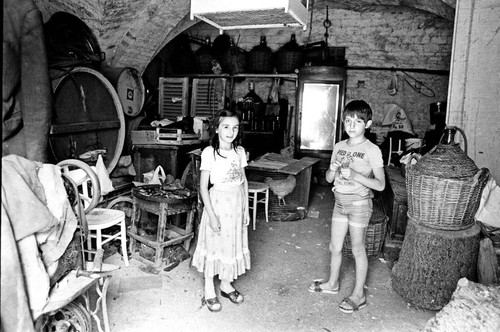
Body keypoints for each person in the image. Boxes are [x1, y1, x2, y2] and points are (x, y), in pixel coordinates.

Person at [308, 100, 385, 313]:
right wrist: (332, 170)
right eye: (348, 120)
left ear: (367, 124)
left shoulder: (372, 150)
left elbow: (380, 185)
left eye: (358, 121)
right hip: (339, 203)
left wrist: (356, 176)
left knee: (358, 248)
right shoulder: (339, 147)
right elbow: (329, 178)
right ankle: (333, 284)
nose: (352, 125)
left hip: (360, 204)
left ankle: (359, 295)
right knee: (335, 246)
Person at [191, 109, 251, 312]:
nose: (230, 132)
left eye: (234, 128)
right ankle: (209, 289)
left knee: (231, 243)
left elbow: (243, 181)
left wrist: (246, 209)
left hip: (236, 204)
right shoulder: (209, 153)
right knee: (214, 243)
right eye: (226, 127)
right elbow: (202, 187)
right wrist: (212, 215)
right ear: (217, 129)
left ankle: (226, 284)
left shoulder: (240, 152)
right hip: (218, 204)